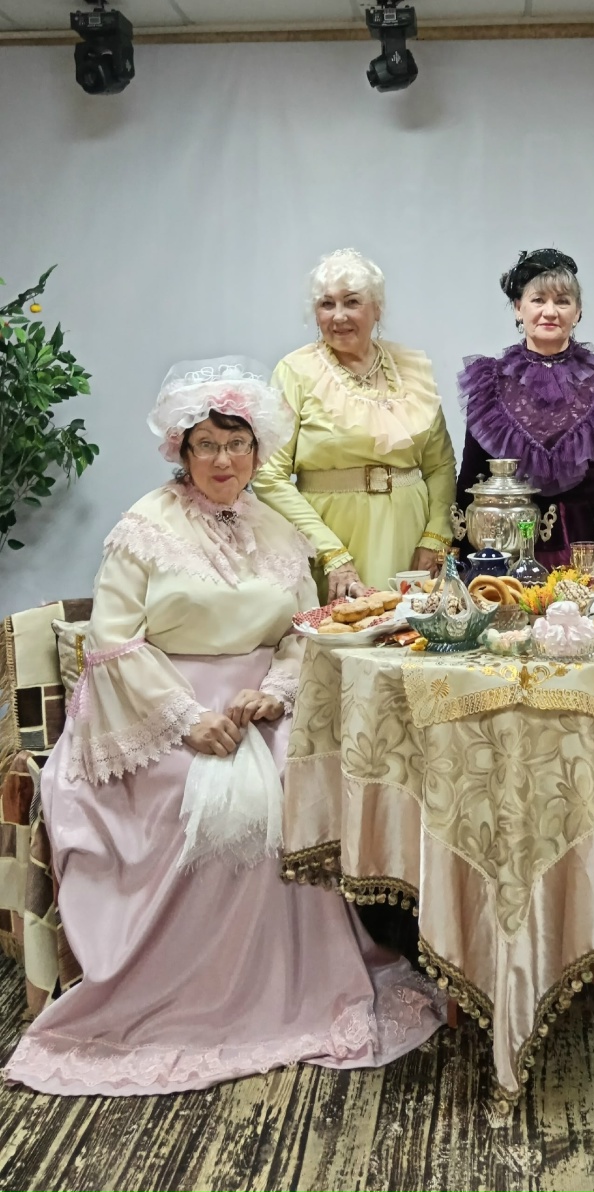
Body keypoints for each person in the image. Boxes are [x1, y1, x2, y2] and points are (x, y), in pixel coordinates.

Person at [4, 359, 444, 1095]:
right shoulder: (144, 527)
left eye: (236, 445)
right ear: (181, 450)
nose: (222, 460)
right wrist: (187, 720)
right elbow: (113, 644)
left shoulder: (278, 528)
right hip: (154, 707)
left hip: (256, 705)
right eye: (205, 445)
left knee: (300, 777)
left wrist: (274, 691)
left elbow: (302, 630)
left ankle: (297, 981)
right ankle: (186, 990)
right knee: (200, 796)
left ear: (256, 452)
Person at [253, 248, 457, 601]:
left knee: (411, 629)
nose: (338, 316)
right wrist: (329, 551)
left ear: (377, 308)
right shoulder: (295, 371)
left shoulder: (412, 370)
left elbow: (440, 465)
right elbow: (268, 476)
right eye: (326, 304)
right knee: (344, 627)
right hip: (331, 537)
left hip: (411, 536)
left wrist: (436, 535)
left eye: (351, 302)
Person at [455, 248, 594, 568]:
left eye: (563, 301)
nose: (550, 312)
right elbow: (473, 478)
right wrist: (458, 554)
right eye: (538, 300)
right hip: (511, 557)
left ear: (578, 312)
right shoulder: (490, 384)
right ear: (518, 308)